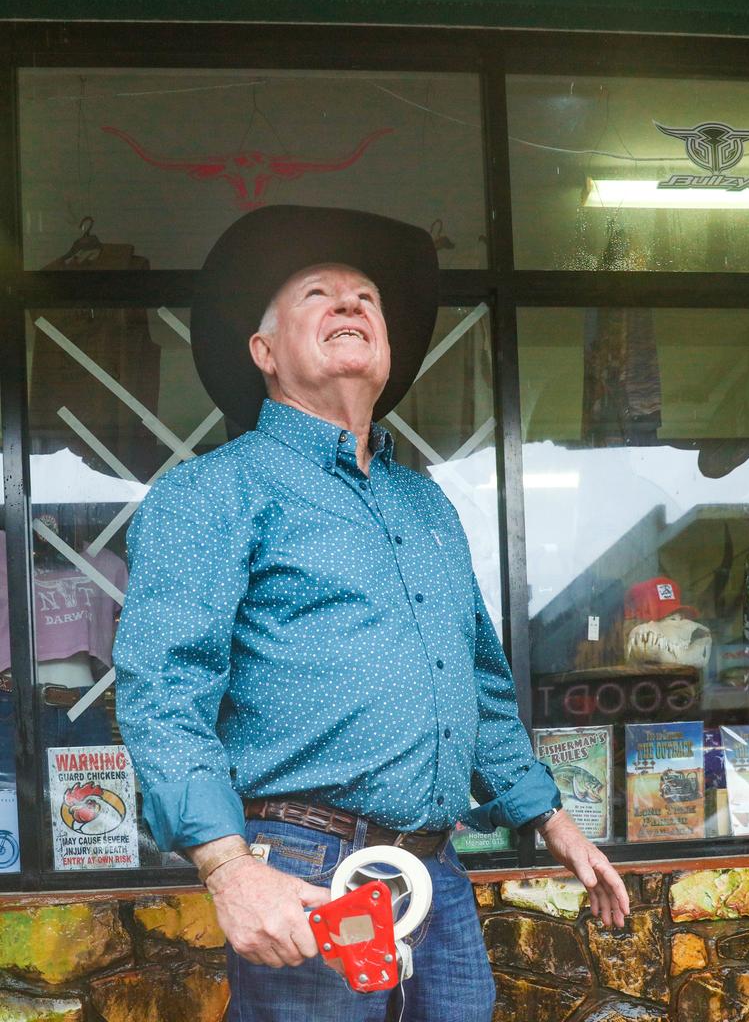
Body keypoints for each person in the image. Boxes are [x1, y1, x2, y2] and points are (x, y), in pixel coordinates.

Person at [114, 205, 629, 1022]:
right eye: (318, 293)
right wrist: (229, 870)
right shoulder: (213, 492)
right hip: (303, 865)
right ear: (265, 352)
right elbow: (163, 692)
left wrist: (555, 821)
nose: (351, 302)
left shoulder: (426, 503)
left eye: (368, 298)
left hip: (437, 871)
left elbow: (481, 688)